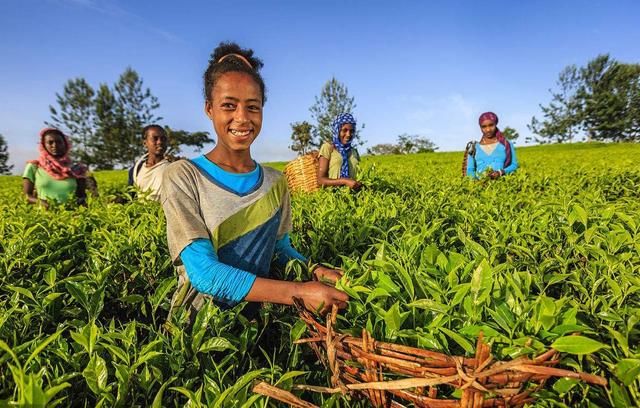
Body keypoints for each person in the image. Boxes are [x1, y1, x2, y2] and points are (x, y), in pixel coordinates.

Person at [161, 42, 349, 322]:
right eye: (228, 105)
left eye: (253, 107)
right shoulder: (183, 175)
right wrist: (299, 292)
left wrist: (316, 271)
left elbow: (281, 250)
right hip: (196, 333)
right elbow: (204, 273)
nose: (242, 118)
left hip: (256, 326)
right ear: (209, 109)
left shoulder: (275, 182)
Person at [23, 127, 89, 208]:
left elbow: (82, 196)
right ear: (44, 145)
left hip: (72, 216)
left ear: (65, 144)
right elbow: (27, 196)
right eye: (50, 142)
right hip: (43, 217)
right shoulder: (34, 167)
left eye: (59, 142)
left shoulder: (76, 168)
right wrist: (42, 203)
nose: (55, 145)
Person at [464, 112, 518, 179]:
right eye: (484, 127)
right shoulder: (474, 147)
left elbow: (514, 165)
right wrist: (476, 183)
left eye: (491, 125)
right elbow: (470, 170)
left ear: (495, 124)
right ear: (480, 127)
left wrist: (500, 172)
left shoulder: (507, 144)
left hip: (502, 185)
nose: (488, 129)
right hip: (480, 186)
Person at [317, 113, 362, 190]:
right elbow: (320, 180)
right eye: (344, 130)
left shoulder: (354, 152)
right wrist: (344, 181)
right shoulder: (328, 148)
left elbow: (358, 176)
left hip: (353, 197)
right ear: (337, 130)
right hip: (332, 197)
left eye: (351, 131)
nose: (348, 134)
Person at [128, 125, 172, 201]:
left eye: (163, 139)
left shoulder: (172, 167)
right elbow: (131, 198)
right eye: (155, 139)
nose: (159, 142)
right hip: (142, 212)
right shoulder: (136, 170)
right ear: (145, 143)